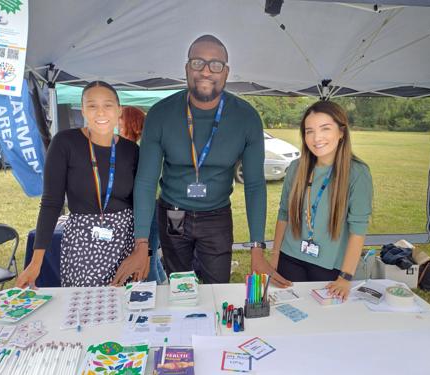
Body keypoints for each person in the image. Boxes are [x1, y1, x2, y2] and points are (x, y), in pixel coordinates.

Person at [133, 34, 279, 284]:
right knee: (180, 288)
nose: (206, 71)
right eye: (198, 63)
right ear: (187, 68)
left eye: (216, 65)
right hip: (173, 213)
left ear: (226, 72)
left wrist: (257, 248)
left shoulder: (246, 117)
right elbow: (146, 181)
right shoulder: (160, 114)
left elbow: (254, 184)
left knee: (217, 288)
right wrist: (141, 243)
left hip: (216, 215)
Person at [16, 81, 149, 288]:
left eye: (107, 105)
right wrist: (36, 261)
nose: (100, 112)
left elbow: (142, 203)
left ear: (118, 110)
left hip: (125, 243)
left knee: (126, 309)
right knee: (84, 311)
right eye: (92, 106)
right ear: (83, 110)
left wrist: (144, 251)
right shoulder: (65, 143)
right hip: (81, 244)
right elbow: (51, 202)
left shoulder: (131, 150)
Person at [268, 101, 373, 299]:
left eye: (325, 129)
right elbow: (284, 214)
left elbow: (358, 229)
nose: (317, 138)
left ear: (342, 132)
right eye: (309, 131)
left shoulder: (357, 173)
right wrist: (275, 257)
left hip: (330, 265)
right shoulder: (296, 168)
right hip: (290, 257)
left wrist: (345, 276)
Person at [119, 106, 167, 284]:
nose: (118, 124)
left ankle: (155, 295)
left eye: (120, 120)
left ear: (130, 123)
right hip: (150, 209)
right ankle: (163, 287)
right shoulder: (137, 149)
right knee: (151, 257)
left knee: (147, 260)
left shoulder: (136, 151)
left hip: (147, 211)